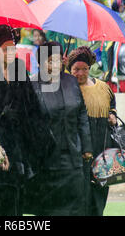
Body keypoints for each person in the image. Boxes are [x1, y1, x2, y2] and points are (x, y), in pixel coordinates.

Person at [0, 25, 55, 216]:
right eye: (5, 49)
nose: (10, 52)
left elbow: (32, 103)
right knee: (0, 195)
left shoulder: (19, 67)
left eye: (13, 47)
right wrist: (0, 116)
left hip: (20, 141)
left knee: (19, 195)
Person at [25, 41, 93, 216]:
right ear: (39, 62)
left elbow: (82, 114)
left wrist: (86, 147)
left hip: (72, 155)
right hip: (45, 159)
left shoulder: (70, 81)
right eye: (49, 61)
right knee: (48, 208)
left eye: (57, 60)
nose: (54, 64)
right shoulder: (31, 84)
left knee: (75, 205)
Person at [67, 46, 118, 216]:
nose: (80, 73)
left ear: (89, 68)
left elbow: (112, 105)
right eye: (76, 69)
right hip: (79, 148)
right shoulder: (66, 88)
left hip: (102, 146)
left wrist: (112, 115)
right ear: (69, 69)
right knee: (80, 193)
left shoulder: (103, 87)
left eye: (84, 69)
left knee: (100, 191)